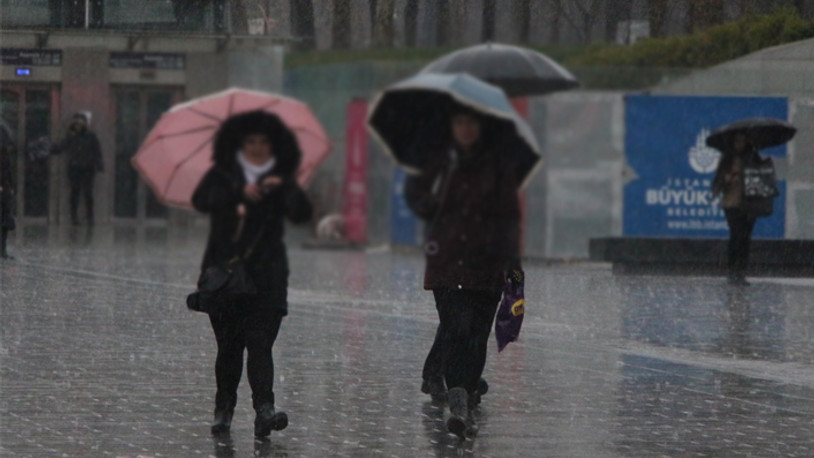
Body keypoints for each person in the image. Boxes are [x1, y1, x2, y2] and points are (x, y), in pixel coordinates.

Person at [191, 110, 312, 437]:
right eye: (251, 141)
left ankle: (264, 410)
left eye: (264, 142)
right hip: (226, 276)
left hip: (267, 278)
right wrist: (237, 194)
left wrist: (283, 189)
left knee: (260, 344)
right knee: (229, 349)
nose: (258, 147)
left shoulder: (279, 177)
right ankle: (224, 408)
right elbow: (201, 200)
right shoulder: (222, 174)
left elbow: (302, 212)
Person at [405, 105, 522, 438]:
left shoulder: (497, 166)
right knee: (457, 328)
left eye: (471, 122)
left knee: (477, 337)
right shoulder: (441, 160)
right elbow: (416, 193)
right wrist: (435, 208)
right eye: (459, 122)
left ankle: (465, 393)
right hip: (448, 263)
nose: (466, 128)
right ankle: (458, 403)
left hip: (487, 265)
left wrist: (513, 262)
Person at [712, 133, 761, 286]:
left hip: (749, 203)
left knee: (745, 238)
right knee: (737, 235)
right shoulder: (727, 158)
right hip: (732, 203)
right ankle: (733, 270)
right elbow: (719, 181)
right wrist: (728, 179)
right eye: (737, 141)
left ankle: (741, 271)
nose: (740, 144)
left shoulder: (753, 157)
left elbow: (761, 178)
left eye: (743, 141)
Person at [54, 113, 103, 226]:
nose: (78, 125)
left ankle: (90, 217)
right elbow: (62, 146)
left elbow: (97, 151)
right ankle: (74, 218)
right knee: (75, 193)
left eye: (80, 123)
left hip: (87, 168)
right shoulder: (71, 136)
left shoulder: (90, 136)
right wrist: (52, 148)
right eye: (76, 123)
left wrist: (99, 165)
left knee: (87, 194)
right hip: (75, 168)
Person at [1, 121, 15, 259]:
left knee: (5, 219)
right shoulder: (5, 155)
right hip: (4, 189)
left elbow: (8, 172)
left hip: (5, 189)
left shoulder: (5, 155)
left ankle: (2, 249)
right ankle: (2, 249)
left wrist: (10, 187)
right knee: (4, 219)